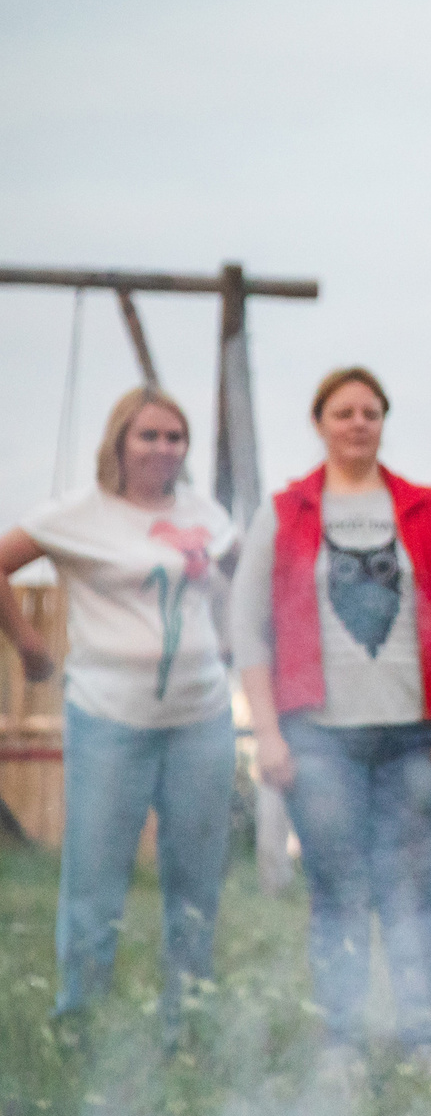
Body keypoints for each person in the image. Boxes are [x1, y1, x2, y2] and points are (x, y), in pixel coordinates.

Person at [234, 368, 431, 1065]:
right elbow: (247, 625)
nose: (358, 423)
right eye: (344, 412)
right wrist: (267, 731)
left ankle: (423, 1037)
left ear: (384, 421)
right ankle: (341, 1039)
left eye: (370, 412)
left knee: (416, 885)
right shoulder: (286, 511)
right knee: (338, 888)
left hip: (422, 737)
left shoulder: (422, 506)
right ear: (320, 421)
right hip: (319, 741)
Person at [0, 388, 239, 1047]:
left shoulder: (204, 512)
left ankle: (187, 1021)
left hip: (202, 717)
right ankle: (79, 1019)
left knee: (194, 878)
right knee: (96, 879)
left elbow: (238, 575)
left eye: (175, 437)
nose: (164, 448)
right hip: (109, 717)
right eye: (149, 436)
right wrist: (28, 645)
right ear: (119, 442)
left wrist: (229, 637)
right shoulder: (78, 514)